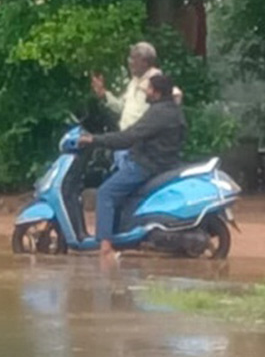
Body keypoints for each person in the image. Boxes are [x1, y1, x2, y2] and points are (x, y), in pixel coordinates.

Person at [78, 73, 186, 258]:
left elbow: (129, 136)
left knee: (106, 192)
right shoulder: (173, 111)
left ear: (157, 92)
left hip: (146, 165)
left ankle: (105, 246)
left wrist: (95, 140)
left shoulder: (158, 113)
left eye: (149, 88)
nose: (146, 91)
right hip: (163, 163)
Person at [91, 42, 183, 132]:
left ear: (145, 62)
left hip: (142, 141)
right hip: (125, 138)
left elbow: (175, 97)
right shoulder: (134, 82)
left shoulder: (157, 82)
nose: (130, 62)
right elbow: (121, 108)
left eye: (133, 58)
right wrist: (104, 94)